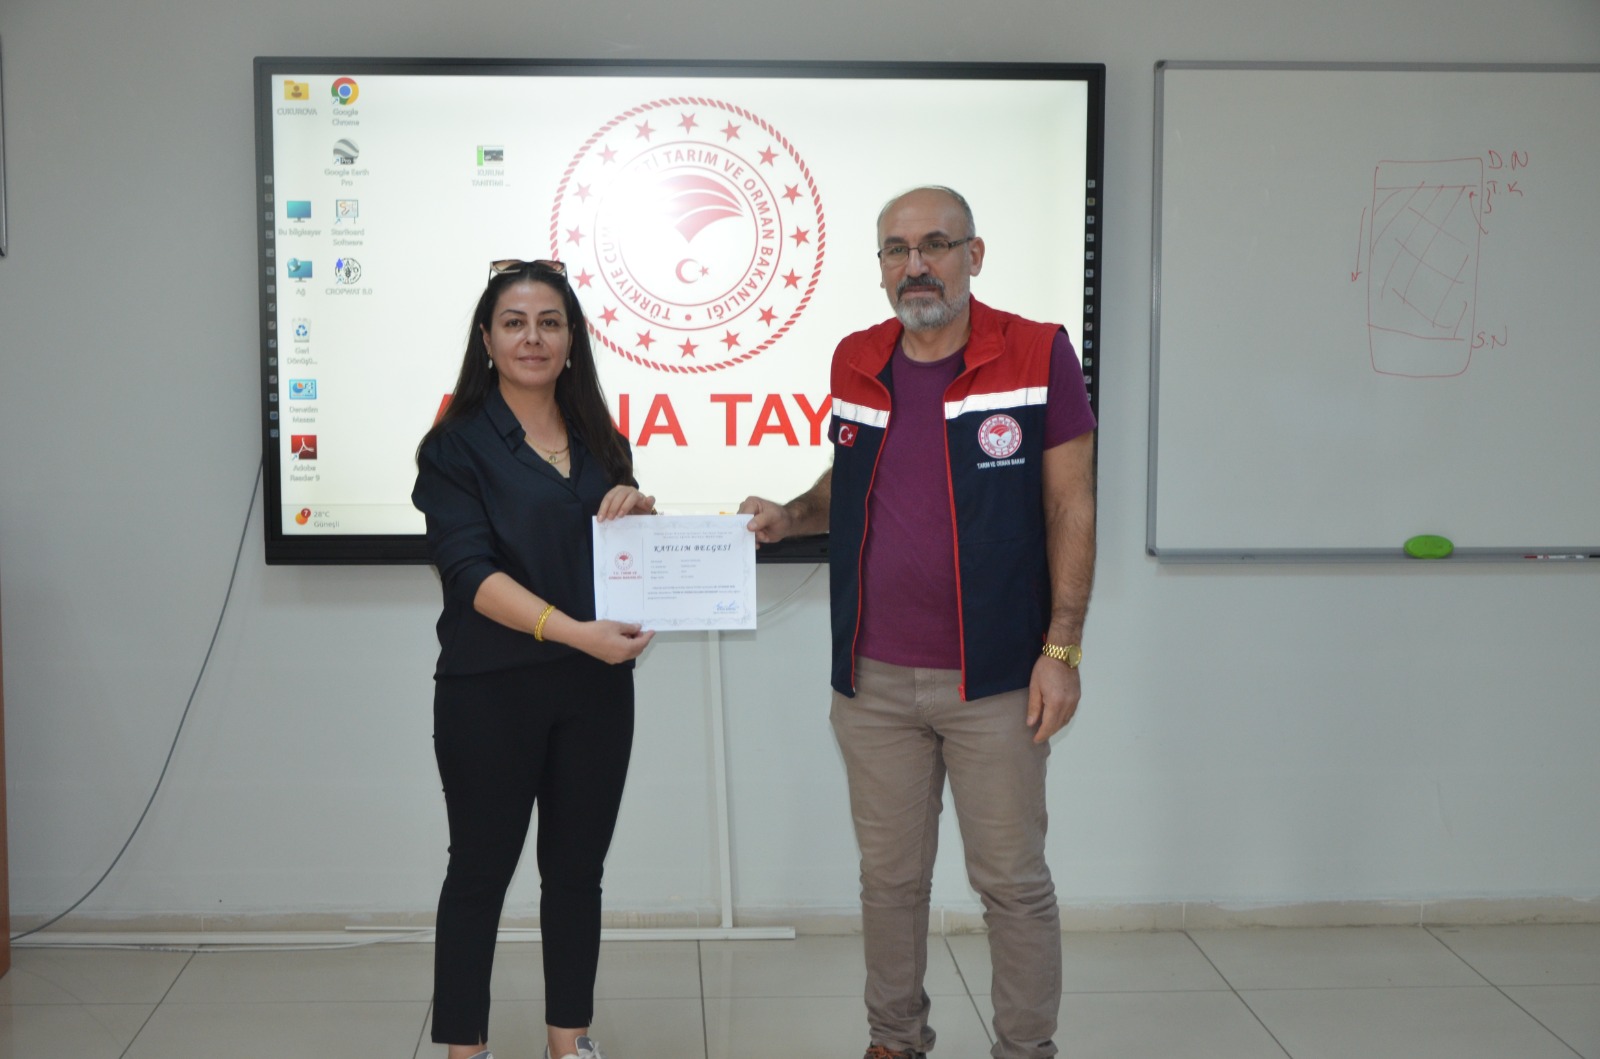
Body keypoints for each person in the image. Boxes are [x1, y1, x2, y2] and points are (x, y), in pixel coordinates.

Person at [739, 187, 1096, 1059]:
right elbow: (850, 480)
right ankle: (894, 1040)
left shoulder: (1037, 351)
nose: (916, 265)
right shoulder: (857, 357)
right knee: (889, 882)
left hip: (997, 679)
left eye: (935, 244)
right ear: (882, 267)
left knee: (1011, 882)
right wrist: (791, 514)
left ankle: (1026, 1049)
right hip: (873, 681)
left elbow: (1071, 506)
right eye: (896, 250)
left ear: (975, 255)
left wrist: (1061, 648)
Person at [412, 259, 656, 1059]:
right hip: (490, 691)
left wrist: (636, 513)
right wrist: (578, 633)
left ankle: (569, 1040)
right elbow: (470, 575)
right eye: (514, 322)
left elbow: (614, 562)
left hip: (594, 692)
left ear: (571, 339)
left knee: (577, 872)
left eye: (550, 322)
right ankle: (464, 1048)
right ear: (486, 339)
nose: (533, 337)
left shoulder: (600, 439)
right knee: (479, 873)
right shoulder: (454, 447)